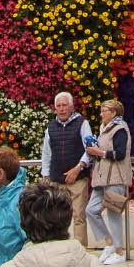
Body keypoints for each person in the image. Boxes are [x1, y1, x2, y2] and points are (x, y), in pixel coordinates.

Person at [38, 92, 94, 249]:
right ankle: (58, 250)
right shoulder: (50, 127)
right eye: (59, 106)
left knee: (78, 217)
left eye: (64, 105)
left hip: (78, 179)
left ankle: (81, 251)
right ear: (55, 108)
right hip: (56, 180)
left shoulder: (83, 123)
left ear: (71, 107)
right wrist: (45, 176)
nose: (62, 109)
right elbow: (46, 153)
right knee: (55, 217)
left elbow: (90, 148)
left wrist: (78, 168)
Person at [85, 99, 132, 267]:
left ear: (113, 113)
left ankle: (119, 251)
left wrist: (100, 152)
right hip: (101, 179)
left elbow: (119, 154)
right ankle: (109, 243)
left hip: (115, 178)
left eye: (104, 110)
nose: (101, 113)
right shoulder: (104, 129)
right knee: (91, 210)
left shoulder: (120, 129)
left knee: (113, 214)